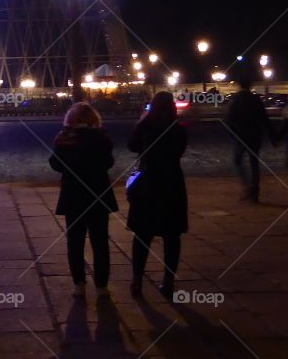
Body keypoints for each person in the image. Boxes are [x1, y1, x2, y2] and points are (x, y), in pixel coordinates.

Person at [48, 102, 117, 297]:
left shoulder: (66, 138)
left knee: (75, 243)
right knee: (100, 242)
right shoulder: (102, 138)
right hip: (98, 194)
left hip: (74, 195)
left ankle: (79, 284)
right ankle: (102, 286)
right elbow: (108, 163)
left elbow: (56, 164)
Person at [127, 91, 188, 301]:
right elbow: (179, 152)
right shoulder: (178, 129)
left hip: (147, 184)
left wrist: (142, 122)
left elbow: (132, 146)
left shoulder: (145, 127)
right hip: (171, 184)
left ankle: (137, 279)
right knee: (172, 236)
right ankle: (168, 280)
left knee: (142, 235)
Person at [226, 76, 273, 201]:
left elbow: (229, 120)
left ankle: (247, 186)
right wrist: (273, 136)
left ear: (239, 86)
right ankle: (255, 191)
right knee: (254, 164)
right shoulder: (256, 99)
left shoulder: (235, 99)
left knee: (237, 161)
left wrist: (232, 134)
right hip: (254, 135)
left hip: (240, 136)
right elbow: (265, 119)